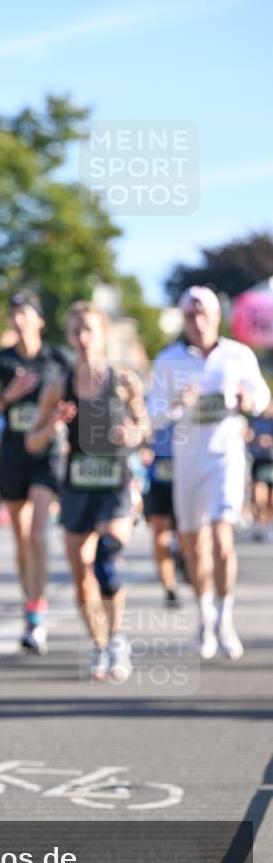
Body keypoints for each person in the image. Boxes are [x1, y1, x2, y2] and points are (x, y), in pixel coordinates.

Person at [26, 302, 149, 682]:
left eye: (89, 331)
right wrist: (54, 426)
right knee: (81, 572)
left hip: (114, 483)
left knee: (107, 559)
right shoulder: (58, 386)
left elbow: (144, 426)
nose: (82, 338)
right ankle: (98, 645)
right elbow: (32, 441)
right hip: (77, 486)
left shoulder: (125, 380)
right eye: (76, 331)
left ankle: (117, 640)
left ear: (103, 335)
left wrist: (132, 433)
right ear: (69, 336)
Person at [147, 285, 271, 660]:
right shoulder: (169, 361)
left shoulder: (237, 355)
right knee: (193, 543)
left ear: (217, 316)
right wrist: (174, 404)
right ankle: (204, 616)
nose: (198, 322)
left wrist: (249, 401)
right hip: (187, 461)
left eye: (204, 314)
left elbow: (263, 397)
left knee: (222, 537)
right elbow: (151, 414)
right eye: (190, 315)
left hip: (226, 458)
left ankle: (225, 617)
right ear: (183, 319)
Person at [0, 290, 69, 654]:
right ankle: (30, 601)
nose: (18, 318)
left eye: (26, 312)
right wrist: (8, 396)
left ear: (40, 320)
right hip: (12, 452)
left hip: (47, 451)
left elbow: (77, 395)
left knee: (37, 532)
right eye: (14, 312)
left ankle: (36, 615)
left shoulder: (59, 358)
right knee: (20, 538)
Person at [142, 423, 181, 605]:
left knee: (187, 537)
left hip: (187, 476)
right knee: (159, 536)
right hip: (156, 479)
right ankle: (169, 586)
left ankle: (186, 563)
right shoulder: (150, 398)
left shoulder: (193, 395)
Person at [246, 399, 273, 541]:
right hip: (259, 462)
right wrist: (253, 439)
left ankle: (269, 525)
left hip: (271, 462)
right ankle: (259, 525)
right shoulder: (254, 420)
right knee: (258, 496)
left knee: (271, 500)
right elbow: (248, 438)